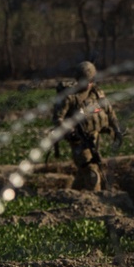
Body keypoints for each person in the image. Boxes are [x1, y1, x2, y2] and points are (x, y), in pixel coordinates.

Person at [52, 61, 124, 191]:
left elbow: (110, 112)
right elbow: (58, 119)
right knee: (91, 171)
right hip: (79, 140)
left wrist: (117, 130)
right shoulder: (70, 97)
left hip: (94, 137)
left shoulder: (97, 94)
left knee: (86, 169)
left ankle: (75, 193)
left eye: (89, 80)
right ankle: (95, 200)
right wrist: (70, 132)